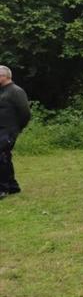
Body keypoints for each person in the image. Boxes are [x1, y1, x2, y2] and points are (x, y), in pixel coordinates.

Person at [0, 66, 31, 198]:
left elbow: (25, 113)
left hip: (9, 131)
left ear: (5, 76)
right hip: (1, 130)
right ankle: (13, 187)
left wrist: (17, 128)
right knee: (5, 157)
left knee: (1, 156)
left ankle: (2, 189)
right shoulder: (2, 92)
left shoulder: (16, 91)